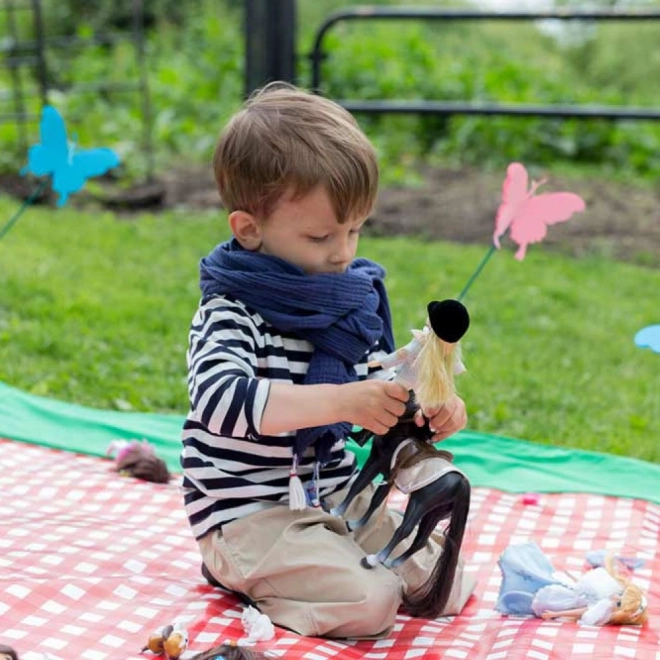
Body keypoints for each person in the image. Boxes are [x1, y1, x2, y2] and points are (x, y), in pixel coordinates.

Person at [180, 83, 475, 640]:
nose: (344, 252)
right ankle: (240, 569)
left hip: (332, 491)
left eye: (355, 230)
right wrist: (342, 400)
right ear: (249, 229)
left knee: (447, 581)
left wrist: (430, 407)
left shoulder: (345, 302)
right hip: (248, 513)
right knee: (372, 602)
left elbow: (375, 389)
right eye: (321, 236)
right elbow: (219, 399)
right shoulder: (230, 309)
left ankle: (319, 556)